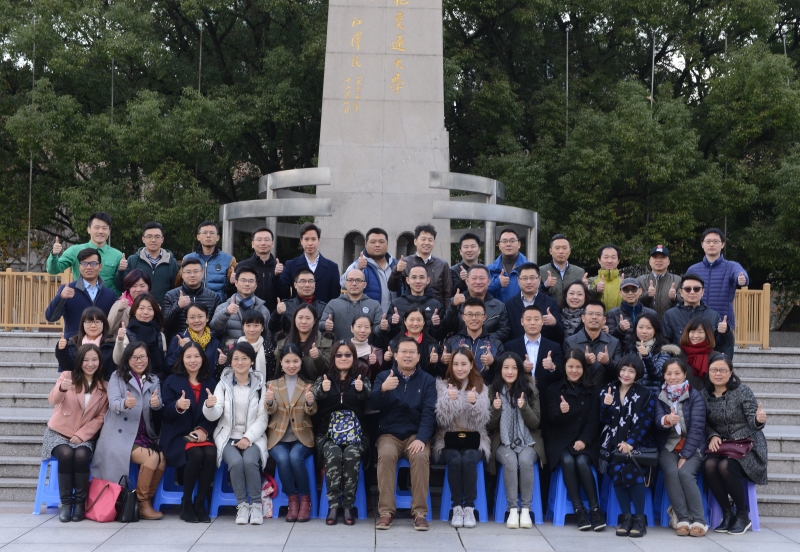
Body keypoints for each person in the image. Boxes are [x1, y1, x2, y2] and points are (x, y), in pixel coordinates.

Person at [91, 341, 165, 520]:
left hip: (142, 434)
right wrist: (125, 403)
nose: (139, 361)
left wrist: (157, 404)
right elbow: (113, 403)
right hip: (119, 435)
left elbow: (158, 404)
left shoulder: (153, 379)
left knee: (162, 459)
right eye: (135, 357)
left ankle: (143, 502)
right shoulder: (117, 377)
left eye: (143, 357)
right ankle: (142, 504)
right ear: (127, 359)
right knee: (151, 457)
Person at [370, 336, 437, 531]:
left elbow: (429, 413)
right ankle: (386, 512)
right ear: (396, 355)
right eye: (404, 352)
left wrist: (422, 438)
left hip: (415, 434)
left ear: (419, 356)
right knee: (386, 455)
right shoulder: (384, 376)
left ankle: (419, 513)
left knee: (421, 456)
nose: (408, 356)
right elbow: (372, 404)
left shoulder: (427, 380)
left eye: (412, 352)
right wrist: (382, 390)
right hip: (389, 434)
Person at [204, 342, 268, 525]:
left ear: (252, 361)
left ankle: (256, 505)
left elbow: (263, 418)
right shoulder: (223, 384)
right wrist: (209, 406)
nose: (240, 362)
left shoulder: (260, 385)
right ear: (230, 362)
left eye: (245, 358)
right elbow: (216, 413)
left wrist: (248, 437)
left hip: (253, 437)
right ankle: (242, 505)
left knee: (250, 461)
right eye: (236, 359)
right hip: (227, 436)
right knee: (236, 462)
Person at [44, 344, 109, 522]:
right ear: (79, 361)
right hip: (58, 433)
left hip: (84, 436)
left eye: (94, 360)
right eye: (86, 360)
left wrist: (82, 434)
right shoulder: (67, 376)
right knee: (65, 454)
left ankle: (79, 503)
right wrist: (61, 388)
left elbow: (101, 417)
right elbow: (52, 400)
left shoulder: (104, 387)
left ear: (100, 362)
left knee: (81, 455)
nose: (90, 364)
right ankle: (66, 504)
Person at [703, 354, 767, 535]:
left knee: (725, 466)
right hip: (723, 446)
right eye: (714, 370)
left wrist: (759, 419)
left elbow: (753, 421)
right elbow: (704, 422)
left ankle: (742, 514)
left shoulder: (742, 391)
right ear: (708, 372)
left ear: (730, 372)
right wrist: (712, 435)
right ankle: (727, 513)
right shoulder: (704, 395)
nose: (718, 374)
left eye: (722, 370)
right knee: (709, 465)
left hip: (748, 446)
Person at [313, 341, 372, 526]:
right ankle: (333, 505)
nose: (343, 358)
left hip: (356, 435)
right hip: (328, 435)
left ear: (353, 357)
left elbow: (369, 396)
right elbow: (314, 397)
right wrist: (322, 390)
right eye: (339, 355)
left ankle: (348, 505)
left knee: (351, 455)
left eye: (348, 355)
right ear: (333, 357)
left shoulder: (362, 379)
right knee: (334, 453)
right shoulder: (324, 378)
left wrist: (361, 390)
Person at [545, 350, 604, 532]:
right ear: (564, 367)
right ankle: (579, 510)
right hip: (560, 441)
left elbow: (594, 420)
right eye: (570, 366)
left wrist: (584, 440)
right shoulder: (553, 389)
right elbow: (551, 419)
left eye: (578, 367)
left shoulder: (592, 389)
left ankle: (595, 509)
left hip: (585, 440)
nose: (574, 370)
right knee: (568, 460)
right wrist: (560, 412)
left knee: (582, 461)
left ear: (584, 368)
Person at [598, 354, 656, 538]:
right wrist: (605, 406)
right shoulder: (608, 390)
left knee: (632, 468)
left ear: (638, 373)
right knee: (616, 467)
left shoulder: (646, 394)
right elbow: (604, 420)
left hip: (639, 444)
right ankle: (626, 517)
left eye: (631, 371)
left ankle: (639, 519)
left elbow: (645, 423)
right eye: (623, 369)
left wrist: (630, 443)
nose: (626, 374)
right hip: (613, 444)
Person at [160, 342, 218, 523]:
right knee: (196, 453)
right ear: (182, 359)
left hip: (201, 433)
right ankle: (186, 503)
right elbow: (163, 412)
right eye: (188, 357)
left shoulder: (211, 382)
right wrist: (177, 406)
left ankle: (200, 503)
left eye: (196, 356)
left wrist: (203, 429)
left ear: (203, 359)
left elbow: (217, 413)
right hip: (177, 435)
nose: (193, 360)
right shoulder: (171, 381)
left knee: (210, 453)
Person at [487, 352, 546, 529]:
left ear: (520, 370)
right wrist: (495, 409)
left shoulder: (530, 390)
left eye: (514, 368)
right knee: (510, 461)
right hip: (502, 441)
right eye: (506, 367)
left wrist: (524, 407)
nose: (510, 372)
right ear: (500, 370)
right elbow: (489, 427)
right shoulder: (492, 390)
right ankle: (513, 509)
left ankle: (526, 510)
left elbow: (535, 423)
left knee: (526, 460)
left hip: (528, 440)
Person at [433, 348, 490, 529]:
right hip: (448, 438)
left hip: (475, 438)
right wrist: (449, 401)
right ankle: (457, 507)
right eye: (455, 364)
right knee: (455, 459)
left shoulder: (481, 386)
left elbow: (482, 421)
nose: (459, 368)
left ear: (471, 365)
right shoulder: (443, 385)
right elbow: (441, 420)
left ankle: (469, 508)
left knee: (469, 458)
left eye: (463, 364)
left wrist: (474, 403)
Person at [655, 358, 708, 537]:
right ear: (664, 375)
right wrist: (666, 420)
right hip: (669, 446)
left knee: (685, 473)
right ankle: (683, 519)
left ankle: (699, 521)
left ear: (685, 374)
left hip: (694, 446)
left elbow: (697, 428)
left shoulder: (695, 396)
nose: (673, 377)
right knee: (671, 472)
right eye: (669, 373)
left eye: (677, 373)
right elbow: (657, 420)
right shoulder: (660, 395)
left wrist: (685, 455)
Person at [266, 343, 318, 522]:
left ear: (301, 362)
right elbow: (269, 411)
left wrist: (310, 402)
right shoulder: (271, 385)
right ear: (281, 363)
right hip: (277, 436)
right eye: (287, 361)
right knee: (282, 459)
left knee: (295, 457)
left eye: (295, 361)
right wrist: (269, 402)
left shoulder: (308, 385)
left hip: (301, 436)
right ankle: (292, 500)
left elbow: (312, 412)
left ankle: (305, 500)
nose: (291, 365)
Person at [686, 228, 749, 358]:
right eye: (708, 241)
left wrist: (742, 279)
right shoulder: (693, 269)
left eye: (716, 241)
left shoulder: (731, 266)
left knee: (722, 365)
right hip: (697, 328)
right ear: (702, 244)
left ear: (723, 244)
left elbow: (740, 274)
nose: (711, 244)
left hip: (722, 327)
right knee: (697, 366)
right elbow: (684, 291)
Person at [45, 248, 117, 338]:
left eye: (93, 263)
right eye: (84, 263)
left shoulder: (109, 294)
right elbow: (50, 317)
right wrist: (61, 297)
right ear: (79, 267)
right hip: (74, 343)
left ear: (100, 266)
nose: (89, 267)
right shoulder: (67, 289)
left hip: (101, 344)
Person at [47, 212, 124, 295]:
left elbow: (120, 285)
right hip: (81, 299)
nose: (100, 231)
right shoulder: (74, 250)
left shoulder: (118, 255)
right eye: (97, 227)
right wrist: (54, 254)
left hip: (106, 301)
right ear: (89, 229)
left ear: (109, 231)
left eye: (104, 228)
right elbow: (53, 270)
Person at [505, 305, 563, 403]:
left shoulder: (554, 347)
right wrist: (520, 368)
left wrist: (552, 367)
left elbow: (561, 374)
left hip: (546, 400)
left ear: (542, 321)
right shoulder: (510, 347)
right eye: (528, 319)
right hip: (517, 398)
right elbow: (503, 373)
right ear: (522, 322)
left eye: (536, 319)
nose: (532, 323)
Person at [387, 223, 452, 308]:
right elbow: (393, 288)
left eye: (430, 240)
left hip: (435, 311)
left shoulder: (442, 264)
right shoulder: (406, 262)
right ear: (415, 241)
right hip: (411, 310)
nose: (427, 243)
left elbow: (448, 294)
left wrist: (446, 313)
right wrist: (396, 271)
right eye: (423, 239)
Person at [441, 297, 505, 381]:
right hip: (457, 387)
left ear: (484, 317)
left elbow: (503, 371)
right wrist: (442, 362)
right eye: (469, 314)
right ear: (463, 317)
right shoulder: (451, 342)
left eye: (478, 314)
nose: (474, 318)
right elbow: (442, 373)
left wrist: (493, 363)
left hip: (486, 387)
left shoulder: (496, 344)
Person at [114, 222, 178, 304]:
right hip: (137, 308)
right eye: (149, 236)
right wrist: (121, 271)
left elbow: (175, 289)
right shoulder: (133, 260)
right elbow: (121, 287)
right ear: (143, 239)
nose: (153, 240)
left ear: (162, 239)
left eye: (157, 237)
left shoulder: (171, 262)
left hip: (163, 309)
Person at [662, 274, 733, 348]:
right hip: (679, 355)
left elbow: (722, 344)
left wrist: (725, 332)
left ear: (702, 292)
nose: (692, 292)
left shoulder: (713, 315)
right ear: (681, 292)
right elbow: (665, 343)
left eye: (696, 289)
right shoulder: (670, 315)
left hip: (706, 355)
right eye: (687, 289)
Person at [442, 265, 511, 342]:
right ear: (467, 281)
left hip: (488, 346)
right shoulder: (456, 302)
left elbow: (504, 332)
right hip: (460, 346)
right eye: (474, 278)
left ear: (488, 282)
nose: (478, 282)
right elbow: (445, 329)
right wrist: (454, 306)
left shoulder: (499, 306)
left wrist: (481, 338)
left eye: (482, 278)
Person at [562, 300, 622, 386]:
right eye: (590, 314)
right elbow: (565, 371)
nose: (594, 317)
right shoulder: (569, 342)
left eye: (598, 314)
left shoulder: (615, 342)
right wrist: (583, 362)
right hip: (578, 390)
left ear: (604, 320)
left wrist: (608, 363)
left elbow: (620, 372)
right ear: (583, 318)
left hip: (605, 391)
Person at [278, 222, 341, 303]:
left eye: (313, 239)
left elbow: (335, 298)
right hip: (298, 310)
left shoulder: (332, 267)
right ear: (301, 241)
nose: (310, 243)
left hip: (324, 310)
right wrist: (276, 276)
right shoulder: (291, 265)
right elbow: (282, 292)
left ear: (319, 240)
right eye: (306, 239)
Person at [340, 228, 398, 314]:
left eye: (381, 242)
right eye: (373, 242)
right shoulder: (358, 264)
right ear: (366, 245)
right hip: (367, 316)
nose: (377, 245)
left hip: (393, 317)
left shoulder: (396, 265)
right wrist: (358, 268)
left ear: (387, 245)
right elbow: (343, 283)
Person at [162, 257, 221, 341]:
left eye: (196, 271)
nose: (192, 275)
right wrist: (177, 306)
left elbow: (217, 326)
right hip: (178, 342)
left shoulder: (213, 297)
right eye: (188, 272)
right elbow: (164, 323)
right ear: (182, 274)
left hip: (206, 343)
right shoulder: (171, 295)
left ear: (202, 273)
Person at [623, 312, 680, 397]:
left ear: (655, 330)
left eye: (649, 328)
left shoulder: (663, 349)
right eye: (640, 327)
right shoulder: (630, 347)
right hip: (631, 396)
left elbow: (657, 374)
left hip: (653, 396)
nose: (644, 331)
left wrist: (646, 356)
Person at [113, 293, 167, 379]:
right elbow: (118, 360)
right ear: (135, 311)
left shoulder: (160, 335)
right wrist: (119, 340)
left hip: (156, 381)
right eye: (141, 308)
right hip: (131, 380)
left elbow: (164, 361)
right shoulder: (126, 333)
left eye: (150, 309)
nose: (145, 312)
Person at [210, 265, 269, 345]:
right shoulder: (224, 307)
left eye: (251, 281)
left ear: (256, 285)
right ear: (236, 283)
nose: (247, 284)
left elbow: (268, 336)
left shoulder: (263, 310)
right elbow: (215, 330)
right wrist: (226, 312)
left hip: (256, 351)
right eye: (243, 280)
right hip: (231, 351)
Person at [228, 227, 283, 312]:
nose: (263, 243)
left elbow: (284, 294)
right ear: (253, 244)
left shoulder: (280, 268)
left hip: (274, 314)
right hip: (247, 315)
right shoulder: (242, 266)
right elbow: (230, 294)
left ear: (272, 244)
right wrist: (231, 283)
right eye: (259, 240)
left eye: (267, 240)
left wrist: (276, 277)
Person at [320, 269, 384, 341]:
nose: (354, 283)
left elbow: (377, 330)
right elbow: (321, 324)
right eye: (350, 280)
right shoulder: (333, 304)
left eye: (358, 280)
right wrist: (325, 325)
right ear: (345, 283)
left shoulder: (374, 305)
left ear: (364, 284)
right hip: (340, 347)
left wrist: (382, 327)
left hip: (366, 347)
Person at [505, 262, 563, 342]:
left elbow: (560, 334)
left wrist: (554, 323)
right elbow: (506, 333)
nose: (529, 282)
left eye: (532, 278)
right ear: (518, 281)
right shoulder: (509, 305)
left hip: (544, 348)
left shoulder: (551, 303)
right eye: (524, 278)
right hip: (517, 348)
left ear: (539, 279)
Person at [55, 307, 117, 380]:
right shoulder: (73, 343)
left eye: (97, 322)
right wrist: (61, 350)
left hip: (103, 385)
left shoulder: (111, 345)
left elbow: (111, 373)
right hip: (77, 385)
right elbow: (67, 368)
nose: (93, 325)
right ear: (82, 324)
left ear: (104, 324)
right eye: (89, 322)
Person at [182, 221, 236, 302]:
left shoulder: (229, 260)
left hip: (218, 305)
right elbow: (178, 284)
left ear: (217, 237)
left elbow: (232, 287)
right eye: (204, 233)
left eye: (212, 233)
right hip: (192, 305)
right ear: (198, 237)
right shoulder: (187, 258)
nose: (208, 235)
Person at [165, 303, 226, 375]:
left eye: (200, 316)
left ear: (207, 318)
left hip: (208, 381)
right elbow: (168, 367)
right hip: (184, 381)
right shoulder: (179, 339)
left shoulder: (215, 342)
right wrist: (180, 348)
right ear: (186, 320)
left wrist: (221, 364)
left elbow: (217, 373)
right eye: (192, 317)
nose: (196, 320)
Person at [275, 304, 332, 380]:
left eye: (308, 318)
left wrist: (318, 357)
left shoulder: (325, 343)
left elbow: (326, 371)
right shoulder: (283, 343)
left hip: (314, 385)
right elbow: (277, 371)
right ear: (294, 319)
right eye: (300, 318)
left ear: (314, 321)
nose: (304, 322)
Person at [387, 265, 444, 339]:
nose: (418, 281)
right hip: (402, 345)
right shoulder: (396, 304)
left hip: (428, 345)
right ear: (407, 280)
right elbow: (389, 335)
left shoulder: (436, 305)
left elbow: (441, 336)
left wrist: (436, 326)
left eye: (422, 277)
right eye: (414, 277)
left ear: (428, 280)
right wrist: (393, 324)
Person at [269, 268, 327, 339]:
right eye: (303, 281)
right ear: (295, 285)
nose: (307, 285)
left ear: (315, 284)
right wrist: (277, 314)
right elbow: (273, 328)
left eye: (310, 281)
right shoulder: (286, 305)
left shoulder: (323, 307)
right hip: (291, 343)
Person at [385, 306, 441, 378]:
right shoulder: (394, 342)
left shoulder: (431, 344)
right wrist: (388, 361)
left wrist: (432, 363)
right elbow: (388, 371)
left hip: (423, 383)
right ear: (405, 321)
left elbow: (435, 374)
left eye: (419, 320)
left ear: (424, 322)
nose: (415, 323)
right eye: (411, 320)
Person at [540, 234, 587, 309]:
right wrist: (545, 286)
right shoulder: (540, 271)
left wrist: (586, 288)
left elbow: (585, 297)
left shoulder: (580, 272)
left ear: (570, 251)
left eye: (564, 248)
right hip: (549, 313)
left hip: (573, 314)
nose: (561, 251)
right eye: (557, 248)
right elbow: (535, 295)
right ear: (550, 251)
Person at [636, 245, 682, 319]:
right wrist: (647, 295)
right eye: (655, 257)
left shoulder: (678, 280)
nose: (659, 260)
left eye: (663, 257)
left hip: (670, 323)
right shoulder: (639, 281)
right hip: (647, 323)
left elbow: (685, 304)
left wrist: (675, 298)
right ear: (650, 261)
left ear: (668, 261)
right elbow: (633, 303)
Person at [487, 228, 530, 303]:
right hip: (496, 310)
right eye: (504, 241)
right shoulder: (489, 270)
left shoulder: (530, 268)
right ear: (499, 245)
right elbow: (480, 292)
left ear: (519, 244)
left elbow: (536, 292)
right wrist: (497, 283)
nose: (508, 244)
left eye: (512, 241)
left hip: (521, 310)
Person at [108, 269, 152, 336]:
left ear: (148, 287)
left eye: (142, 286)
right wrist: (120, 308)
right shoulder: (119, 304)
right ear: (129, 287)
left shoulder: (154, 305)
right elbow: (109, 330)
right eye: (134, 286)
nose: (138, 290)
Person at [234, 310, 275, 380]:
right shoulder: (235, 346)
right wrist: (221, 362)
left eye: (256, 325)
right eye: (248, 325)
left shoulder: (268, 348)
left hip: (262, 385)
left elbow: (271, 373)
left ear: (262, 328)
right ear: (243, 327)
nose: (252, 329)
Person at [588, 244, 624, 311]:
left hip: (619, 317)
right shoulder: (590, 281)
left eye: (613, 257)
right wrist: (596, 291)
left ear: (618, 261)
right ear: (599, 260)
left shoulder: (624, 282)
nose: (609, 261)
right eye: (606, 257)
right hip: (597, 317)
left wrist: (626, 290)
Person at [350, 314, 385, 380]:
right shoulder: (343, 348)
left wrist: (375, 364)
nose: (363, 330)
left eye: (366, 327)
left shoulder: (377, 352)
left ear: (370, 330)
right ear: (352, 328)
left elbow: (378, 378)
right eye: (359, 326)